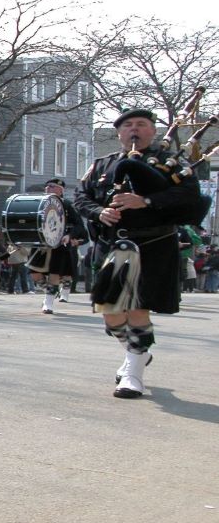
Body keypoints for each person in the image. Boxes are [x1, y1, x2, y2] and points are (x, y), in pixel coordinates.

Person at [73, 108, 202, 399]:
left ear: (152, 131)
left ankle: (133, 374)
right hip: (111, 245)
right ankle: (138, 353)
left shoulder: (171, 164)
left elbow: (188, 197)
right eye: (128, 125)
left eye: (141, 124)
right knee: (112, 315)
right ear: (119, 133)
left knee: (138, 307)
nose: (134, 130)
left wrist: (145, 200)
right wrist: (98, 212)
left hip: (153, 245)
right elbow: (81, 197)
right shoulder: (101, 165)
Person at [28, 178, 88, 313]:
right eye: (47, 186)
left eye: (52, 186)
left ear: (60, 190)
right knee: (35, 274)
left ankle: (48, 302)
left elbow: (79, 226)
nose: (48, 188)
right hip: (41, 244)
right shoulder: (38, 204)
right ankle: (51, 291)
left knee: (55, 274)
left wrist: (70, 235)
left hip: (59, 244)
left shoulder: (66, 205)